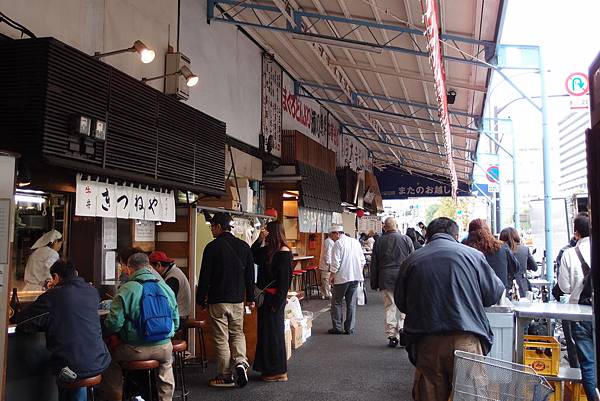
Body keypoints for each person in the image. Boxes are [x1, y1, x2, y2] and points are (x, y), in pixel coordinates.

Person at [394, 217, 504, 401]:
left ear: (427, 236)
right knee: (471, 395)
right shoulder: (473, 256)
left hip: (427, 341)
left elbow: (401, 302)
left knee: (430, 393)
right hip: (467, 338)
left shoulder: (412, 260)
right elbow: (493, 294)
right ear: (456, 235)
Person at [16, 260, 111, 401]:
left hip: (71, 366)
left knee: (71, 371)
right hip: (99, 360)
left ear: (55, 277)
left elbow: (23, 321)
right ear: (76, 273)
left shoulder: (53, 296)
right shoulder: (91, 291)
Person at [101, 252, 179, 401]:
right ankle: (166, 398)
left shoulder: (126, 289)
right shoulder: (164, 287)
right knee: (167, 363)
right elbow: (175, 321)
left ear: (129, 269)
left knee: (109, 360)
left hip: (135, 349)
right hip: (163, 347)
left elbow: (113, 324)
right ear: (149, 267)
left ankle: (115, 397)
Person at [196, 212, 255, 388]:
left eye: (213, 226)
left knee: (221, 337)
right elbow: (250, 276)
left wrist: (201, 299)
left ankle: (225, 375)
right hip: (237, 300)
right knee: (237, 333)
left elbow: (205, 276)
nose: (212, 230)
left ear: (219, 227)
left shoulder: (212, 247)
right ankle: (240, 362)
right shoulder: (244, 247)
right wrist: (250, 298)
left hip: (218, 300)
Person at [558, 214, 595, 400]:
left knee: (587, 363)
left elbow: (564, 287)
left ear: (576, 232)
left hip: (580, 315)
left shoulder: (570, 254)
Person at [251, 221, 293, 382]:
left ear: (273, 232)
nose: (265, 232)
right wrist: (259, 239)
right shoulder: (269, 250)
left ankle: (278, 371)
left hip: (274, 300)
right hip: (266, 299)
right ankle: (269, 369)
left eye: (266, 231)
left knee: (273, 335)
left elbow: (284, 282)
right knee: (266, 334)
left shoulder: (283, 252)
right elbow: (252, 255)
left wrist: (277, 303)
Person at [370, 217, 414, 347]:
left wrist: (374, 282)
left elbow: (374, 263)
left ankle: (391, 335)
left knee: (390, 306)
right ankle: (402, 327)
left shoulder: (379, 241)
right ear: (396, 226)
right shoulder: (406, 239)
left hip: (386, 276)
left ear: (385, 227)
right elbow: (413, 260)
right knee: (404, 305)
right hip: (404, 276)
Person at [464, 219, 519, 295]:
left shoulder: (465, 250)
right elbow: (515, 267)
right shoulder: (502, 247)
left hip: (473, 297)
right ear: (488, 231)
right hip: (499, 296)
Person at [328, 225, 365, 335]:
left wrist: (332, 275)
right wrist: (358, 271)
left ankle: (337, 327)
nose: (331, 238)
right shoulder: (355, 242)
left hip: (342, 277)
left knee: (336, 302)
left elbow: (335, 263)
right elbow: (362, 260)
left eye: (332, 235)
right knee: (351, 303)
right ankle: (349, 328)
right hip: (355, 277)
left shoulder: (338, 244)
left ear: (337, 233)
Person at [149, 251, 192, 322]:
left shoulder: (173, 277)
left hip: (179, 317)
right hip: (181, 314)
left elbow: (166, 300)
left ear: (158, 265)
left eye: (151, 269)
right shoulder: (174, 272)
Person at [499, 227, 537, 297]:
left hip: (505, 289)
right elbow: (535, 267)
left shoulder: (500, 251)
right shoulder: (525, 249)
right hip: (522, 287)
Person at [318, 233, 334, 299]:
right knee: (326, 279)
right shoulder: (329, 242)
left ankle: (324, 293)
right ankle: (327, 294)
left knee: (325, 279)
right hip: (326, 264)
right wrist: (329, 264)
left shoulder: (328, 241)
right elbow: (328, 254)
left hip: (325, 263)